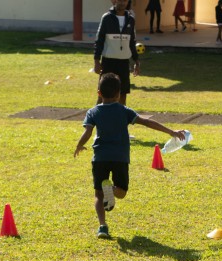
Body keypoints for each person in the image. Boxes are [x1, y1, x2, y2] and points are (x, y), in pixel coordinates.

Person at [74, 73, 186, 239]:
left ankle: (102, 227)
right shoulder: (124, 110)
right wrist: (171, 131)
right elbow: (147, 122)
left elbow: (88, 131)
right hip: (120, 157)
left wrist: (79, 145)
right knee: (122, 192)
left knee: (98, 195)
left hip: (100, 158)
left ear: (99, 93)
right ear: (119, 94)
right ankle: (111, 189)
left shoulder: (93, 112)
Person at [94, 0, 140, 106]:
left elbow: (132, 42)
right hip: (108, 61)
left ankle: (121, 120)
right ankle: (94, 119)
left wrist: (137, 61)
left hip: (123, 62)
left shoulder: (130, 19)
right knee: (102, 94)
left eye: (125, 0)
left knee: (123, 93)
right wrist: (96, 60)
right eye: (120, 0)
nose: (122, 3)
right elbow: (99, 40)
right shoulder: (107, 18)